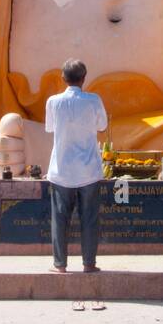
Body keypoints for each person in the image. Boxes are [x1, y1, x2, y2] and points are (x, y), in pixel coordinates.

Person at [44, 58, 107, 273]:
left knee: (60, 218)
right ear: (84, 78)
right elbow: (102, 125)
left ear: (63, 78)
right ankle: (89, 264)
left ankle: (59, 265)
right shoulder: (93, 100)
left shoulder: (53, 102)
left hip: (62, 169)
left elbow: (50, 128)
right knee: (89, 218)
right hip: (89, 168)